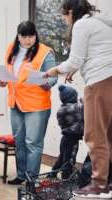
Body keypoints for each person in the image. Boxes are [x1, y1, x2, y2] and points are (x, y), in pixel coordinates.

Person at [45, 0, 112, 197]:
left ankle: (99, 185)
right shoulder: (102, 23)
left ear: (71, 11)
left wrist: (55, 70)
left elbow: (75, 59)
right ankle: (107, 182)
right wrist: (76, 69)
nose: (65, 21)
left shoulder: (82, 24)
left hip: (99, 81)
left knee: (94, 134)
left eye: (64, 16)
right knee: (109, 134)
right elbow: (95, 54)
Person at [0, 21, 57, 185]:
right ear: (18, 36)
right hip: (15, 103)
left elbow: (53, 77)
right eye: (24, 36)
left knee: (33, 143)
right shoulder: (11, 49)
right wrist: (2, 81)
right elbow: (9, 73)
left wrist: (45, 82)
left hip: (36, 105)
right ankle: (21, 175)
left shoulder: (45, 52)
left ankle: (32, 179)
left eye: (31, 36)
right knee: (19, 141)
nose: (28, 40)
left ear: (35, 35)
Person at [51, 85, 84, 179]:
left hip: (65, 137)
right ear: (72, 97)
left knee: (63, 156)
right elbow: (84, 104)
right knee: (70, 159)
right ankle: (67, 177)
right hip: (73, 138)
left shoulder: (61, 109)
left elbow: (62, 123)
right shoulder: (76, 108)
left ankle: (53, 173)